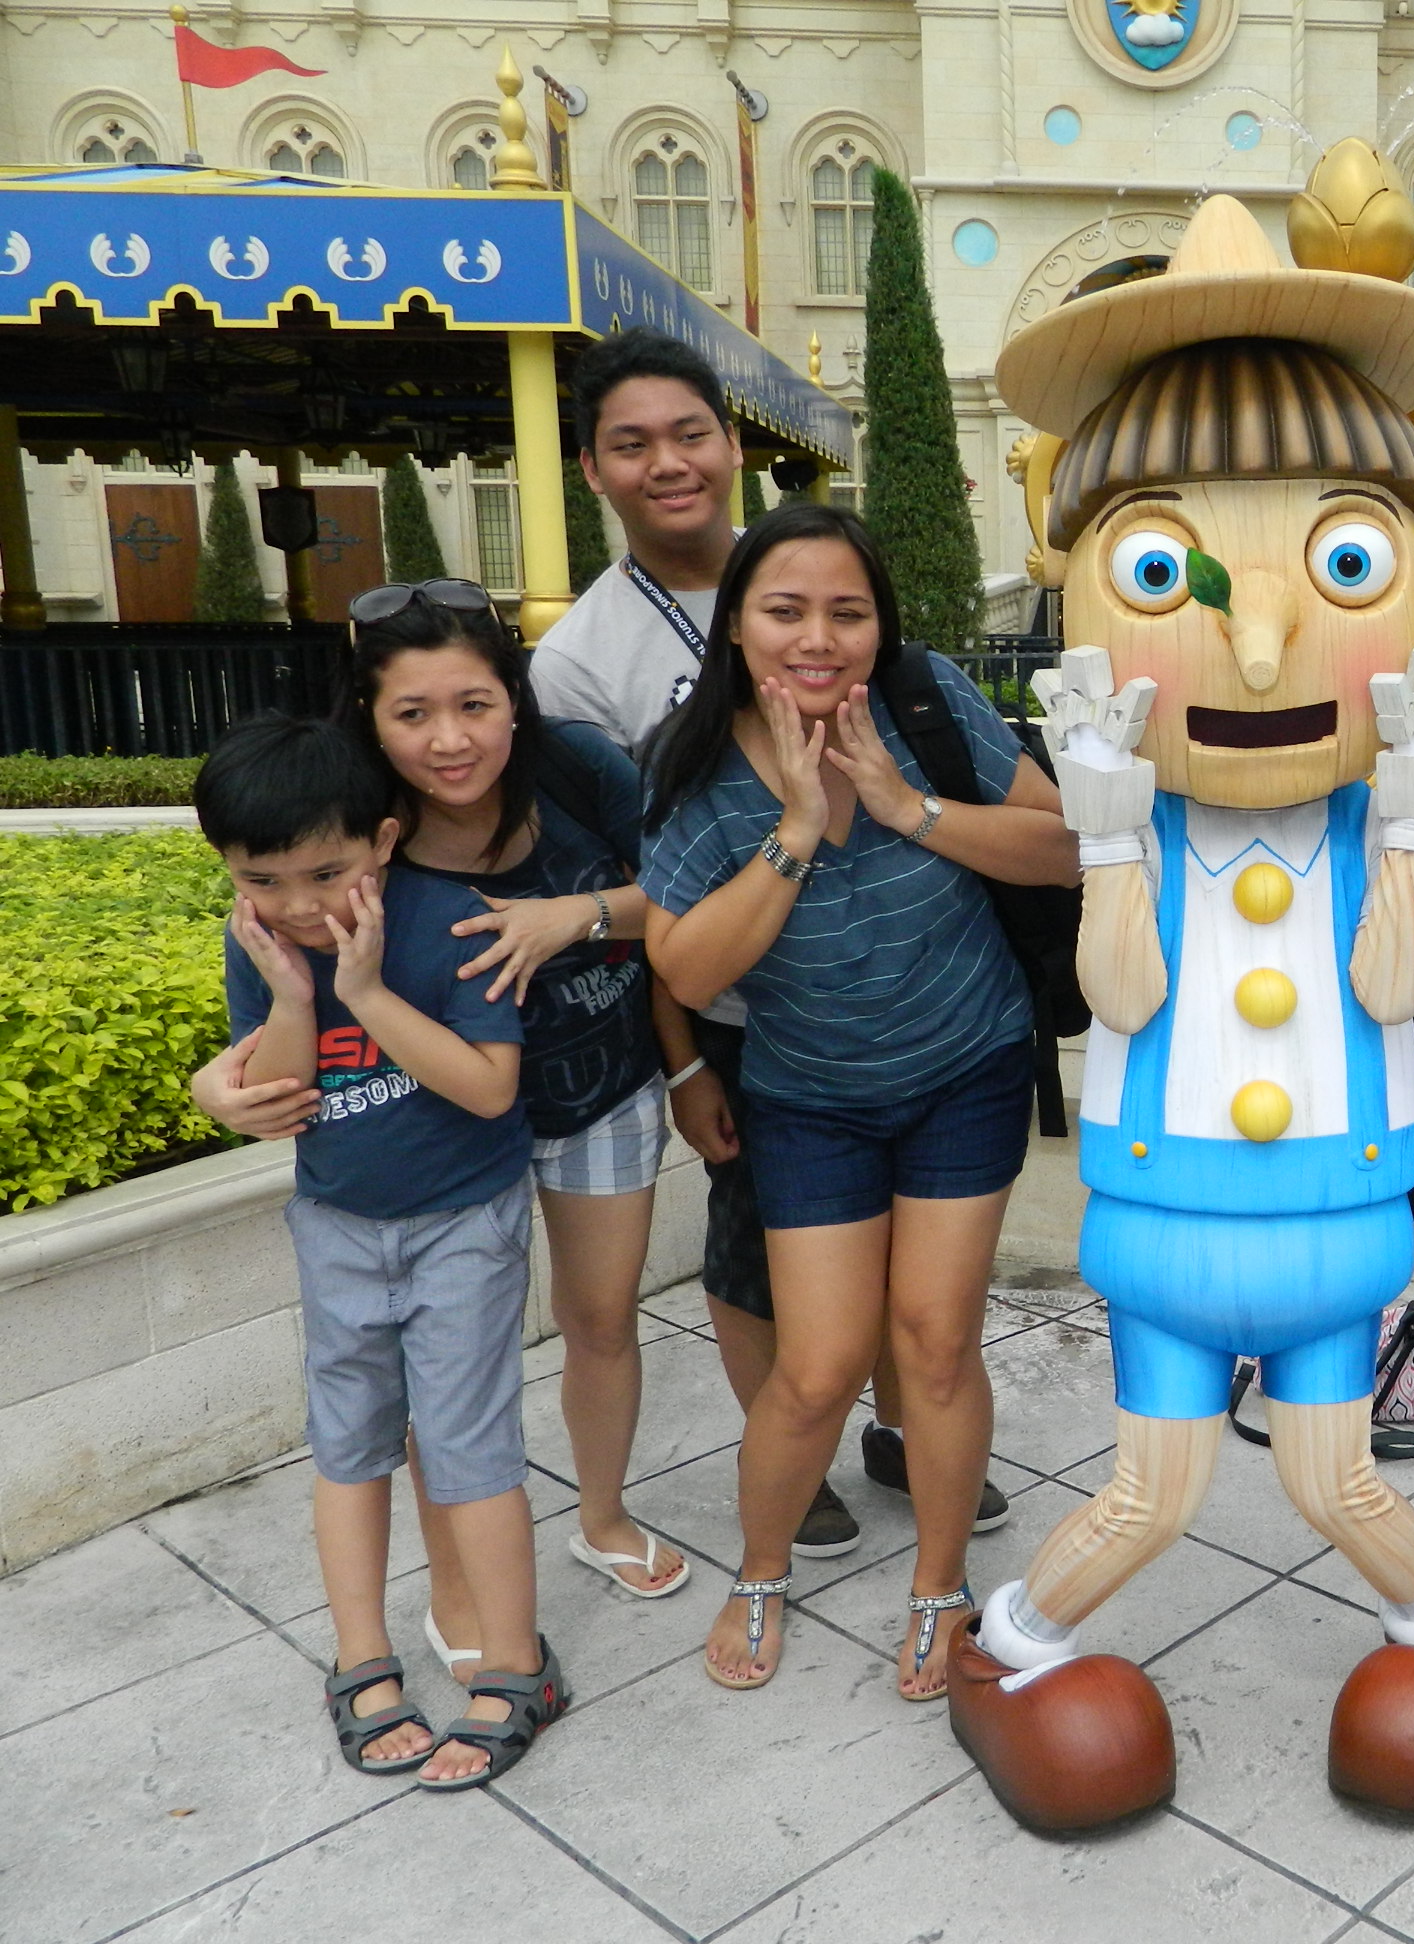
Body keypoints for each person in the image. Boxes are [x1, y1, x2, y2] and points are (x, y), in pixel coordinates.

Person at [529, 327, 1009, 1550]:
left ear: (732, 445)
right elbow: (641, 892)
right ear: (590, 468)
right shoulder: (580, 662)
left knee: (924, 1293)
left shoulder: (823, 590)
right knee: (763, 1274)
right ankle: (797, 1476)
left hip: (918, 1000)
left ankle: (911, 1430)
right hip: (751, 1022)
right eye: (631, 445)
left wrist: (896, 808)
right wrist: (684, 1060)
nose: (668, 464)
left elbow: (1034, 825)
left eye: (690, 434)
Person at [640, 503, 1077, 1697]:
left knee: (936, 1346)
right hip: (811, 1095)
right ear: (735, 624)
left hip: (964, 1067)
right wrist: (794, 826)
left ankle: (940, 1590)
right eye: (786, 610)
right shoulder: (693, 762)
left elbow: (1066, 847)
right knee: (821, 1366)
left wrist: (905, 805)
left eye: (849, 611)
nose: (818, 638)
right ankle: (761, 1568)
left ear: (883, 625)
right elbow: (684, 967)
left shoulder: (924, 703)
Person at [193, 715, 565, 1789]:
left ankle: (515, 1665)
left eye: (327, 870)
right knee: (348, 1442)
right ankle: (361, 1659)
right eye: (263, 877)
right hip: (337, 1226)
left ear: (386, 840)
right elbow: (286, 1094)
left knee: (466, 1444)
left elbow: (490, 1088)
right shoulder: (260, 943)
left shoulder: (453, 925)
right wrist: (299, 995)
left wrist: (363, 991)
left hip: (463, 1223)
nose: (301, 904)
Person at [335, 579, 693, 1655]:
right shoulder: (350, 808)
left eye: (475, 705)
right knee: (445, 1367)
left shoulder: (581, 768)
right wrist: (227, 1079)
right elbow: (280, 915)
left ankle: (602, 1515)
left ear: (514, 696)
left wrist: (570, 916)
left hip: (601, 1085)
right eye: (413, 714)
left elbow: (686, 893)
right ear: (369, 717)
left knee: (600, 1320)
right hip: (435, 1114)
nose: (450, 741)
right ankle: (453, 1582)